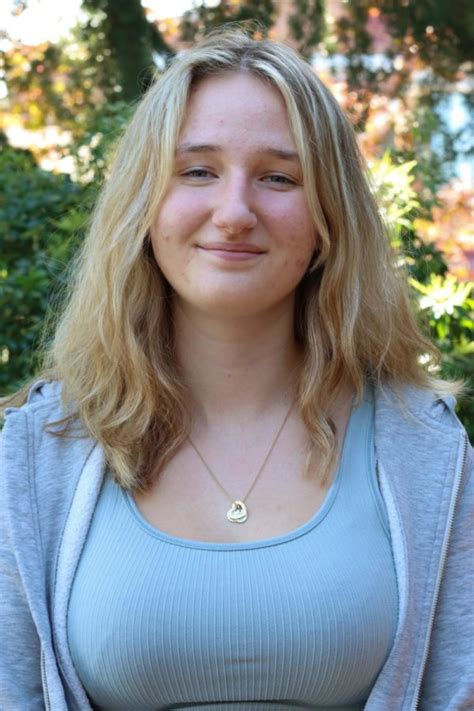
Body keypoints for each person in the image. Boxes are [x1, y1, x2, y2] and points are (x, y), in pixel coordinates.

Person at [0, 29, 472, 711]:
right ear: (144, 202)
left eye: (278, 177)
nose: (235, 213)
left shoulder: (423, 445)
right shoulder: (39, 449)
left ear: (329, 216)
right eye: (197, 171)